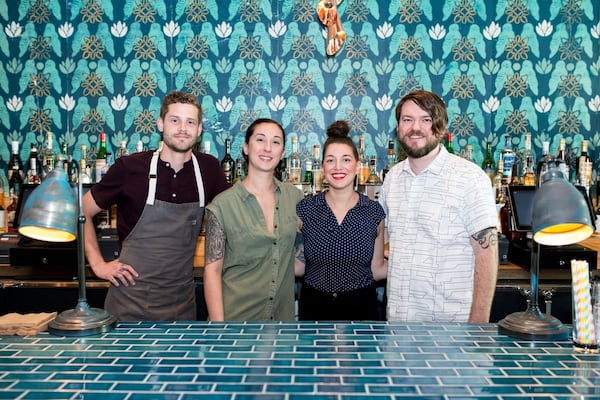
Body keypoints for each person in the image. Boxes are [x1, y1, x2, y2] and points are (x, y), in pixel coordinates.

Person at [82, 91, 229, 321]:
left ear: (199, 130)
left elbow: (236, 216)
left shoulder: (209, 170)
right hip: (128, 307)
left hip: (181, 310)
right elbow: (82, 212)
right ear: (161, 124)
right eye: (175, 120)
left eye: (190, 122)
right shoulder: (130, 167)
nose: (182, 127)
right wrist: (98, 265)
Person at [379, 90, 499, 323]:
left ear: (441, 128)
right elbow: (384, 238)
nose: (416, 127)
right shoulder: (392, 179)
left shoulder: (469, 177)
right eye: (407, 120)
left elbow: (487, 254)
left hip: (452, 333)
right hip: (398, 328)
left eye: (426, 120)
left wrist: (479, 327)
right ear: (398, 128)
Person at [203, 118, 303, 321]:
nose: (267, 148)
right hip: (236, 323)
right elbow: (212, 271)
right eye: (260, 140)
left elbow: (300, 260)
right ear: (246, 148)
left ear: (283, 153)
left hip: (282, 326)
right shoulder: (222, 205)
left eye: (275, 142)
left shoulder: (295, 198)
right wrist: (218, 328)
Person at [295, 120, 387, 321]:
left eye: (346, 160)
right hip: (314, 309)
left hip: (361, 309)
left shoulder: (373, 212)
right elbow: (298, 266)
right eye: (330, 160)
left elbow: (377, 269)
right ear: (323, 167)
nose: (338, 167)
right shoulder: (305, 209)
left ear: (357, 166)